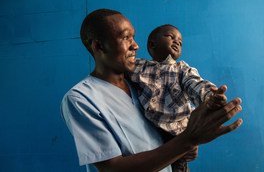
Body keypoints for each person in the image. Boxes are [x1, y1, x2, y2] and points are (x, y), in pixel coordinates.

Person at [61, 9, 243, 172]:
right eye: (125, 38)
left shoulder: (145, 85)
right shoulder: (81, 99)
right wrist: (188, 139)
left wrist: (184, 146)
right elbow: (112, 169)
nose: (135, 45)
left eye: (133, 37)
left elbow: (164, 135)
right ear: (98, 46)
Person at [127, 24, 227, 171]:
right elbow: (121, 69)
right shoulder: (140, 66)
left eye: (180, 41)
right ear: (152, 44)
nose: (177, 42)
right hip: (147, 131)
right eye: (170, 36)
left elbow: (195, 84)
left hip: (176, 134)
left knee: (178, 166)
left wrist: (210, 96)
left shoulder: (182, 69)